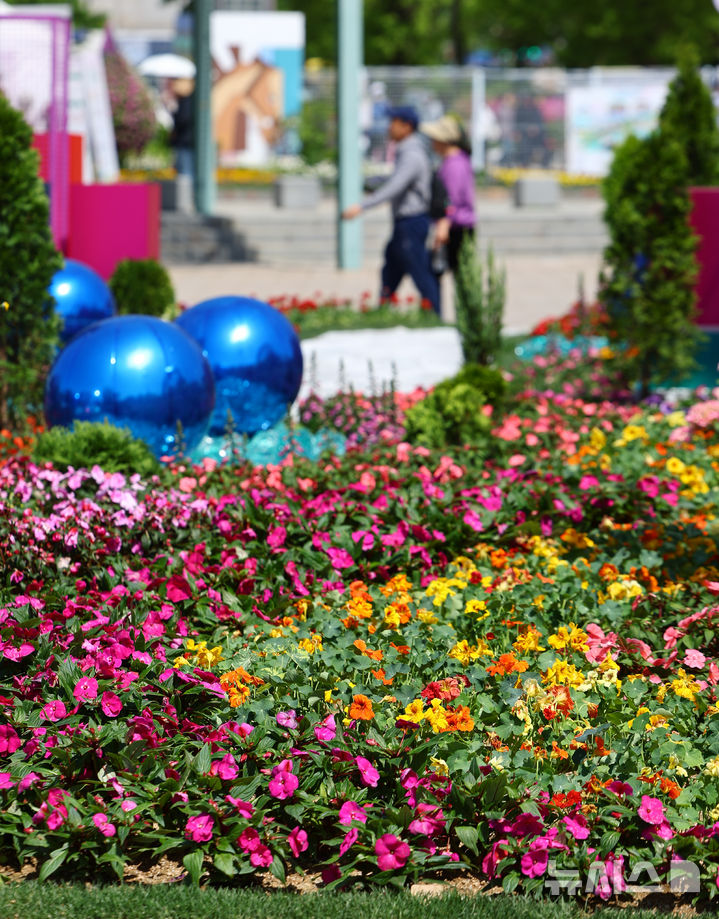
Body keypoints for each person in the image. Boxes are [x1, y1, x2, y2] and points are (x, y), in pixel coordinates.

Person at [342, 105, 440, 315]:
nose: (389, 128)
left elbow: (395, 187)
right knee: (391, 271)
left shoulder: (412, 154)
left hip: (412, 223)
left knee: (420, 273)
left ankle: (436, 316)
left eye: (393, 123)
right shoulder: (406, 151)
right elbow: (394, 180)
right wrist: (371, 182)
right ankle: (383, 312)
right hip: (404, 223)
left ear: (407, 126)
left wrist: (361, 207)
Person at [420, 114, 476, 274]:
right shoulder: (458, 160)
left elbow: (451, 199)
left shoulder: (454, 164)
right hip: (457, 224)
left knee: (460, 275)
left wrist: (443, 224)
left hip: (456, 226)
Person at [169, 78, 195, 178]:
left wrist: (173, 113)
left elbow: (182, 120)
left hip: (185, 142)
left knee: (185, 174)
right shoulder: (192, 101)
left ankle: (187, 194)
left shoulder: (186, 102)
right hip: (189, 142)